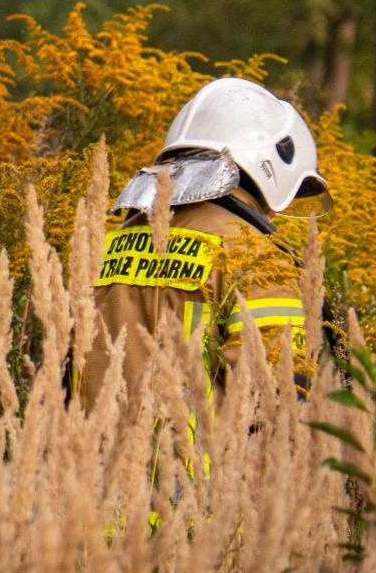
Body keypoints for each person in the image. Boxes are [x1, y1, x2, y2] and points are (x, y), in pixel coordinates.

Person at [80, 77, 330, 412]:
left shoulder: (111, 242)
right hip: (200, 463)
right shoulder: (258, 259)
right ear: (269, 169)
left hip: (88, 461)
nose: (274, 214)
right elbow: (279, 397)